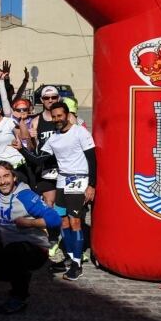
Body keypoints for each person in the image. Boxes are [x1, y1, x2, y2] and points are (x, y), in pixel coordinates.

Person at [0, 161, 61, 314]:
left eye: (6, 176)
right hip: (9, 247)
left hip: (35, 249)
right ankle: (14, 274)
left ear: (14, 177)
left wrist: (29, 222)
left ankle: (19, 297)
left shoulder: (25, 196)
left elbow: (55, 219)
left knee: (14, 251)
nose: (3, 181)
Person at [40, 101, 97, 281]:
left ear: (67, 115)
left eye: (60, 116)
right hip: (62, 180)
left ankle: (77, 264)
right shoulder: (55, 137)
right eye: (54, 116)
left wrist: (92, 185)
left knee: (75, 223)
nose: (57, 119)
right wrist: (21, 150)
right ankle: (70, 257)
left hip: (79, 180)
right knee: (63, 222)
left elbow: (92, 159)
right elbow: (39, 159)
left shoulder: (80, 131)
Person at [29, 86, 61, 206]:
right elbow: (32, 149)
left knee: (65, 208)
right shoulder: (36, 121)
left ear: (58, 98)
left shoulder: (69, 118)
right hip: (46, 168)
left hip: (65, 167)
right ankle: (49, 225)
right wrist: (31, 138)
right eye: (46, 98)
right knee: (49, 203)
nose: (50, 100)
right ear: (42, 100)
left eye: (54, 97)